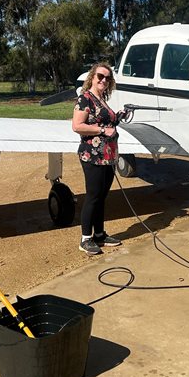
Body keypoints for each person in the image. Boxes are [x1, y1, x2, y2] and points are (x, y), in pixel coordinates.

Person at [72, 62, 123, 255]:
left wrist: (116, 117)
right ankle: (86, 238)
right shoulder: (85, 98)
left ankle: (99, 234)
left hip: (108, 156)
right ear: (92, 77)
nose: (103, 80)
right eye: (100, 76)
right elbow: (77, 125)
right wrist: (103, 130)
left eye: (107, 78)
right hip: (92, 155)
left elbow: (103, 120)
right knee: (93, 196)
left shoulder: (101, 99)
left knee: (102, 196)